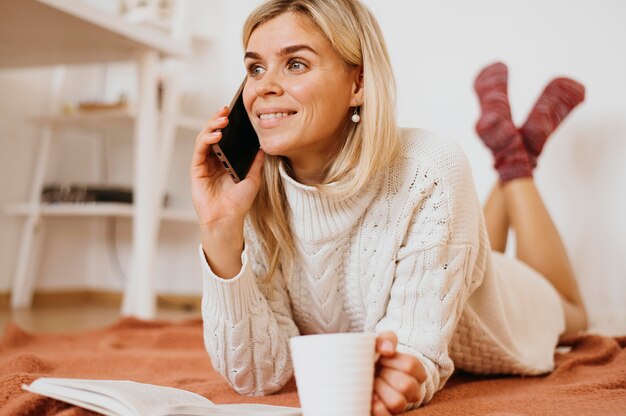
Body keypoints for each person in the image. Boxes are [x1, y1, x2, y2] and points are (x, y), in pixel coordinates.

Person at [189, 0, 588, 414]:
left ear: (358, 83)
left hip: (503, 307)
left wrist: (407, 369)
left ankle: (514, 163)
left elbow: (413, 349)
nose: (263, 87)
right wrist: (220, 228)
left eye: (295, 64)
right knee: (470, 238)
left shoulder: (430, 169)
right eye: (255, 68)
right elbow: (258, 376)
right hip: (448, 255)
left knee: (572, 310)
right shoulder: (252, 193)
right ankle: (514, 149)